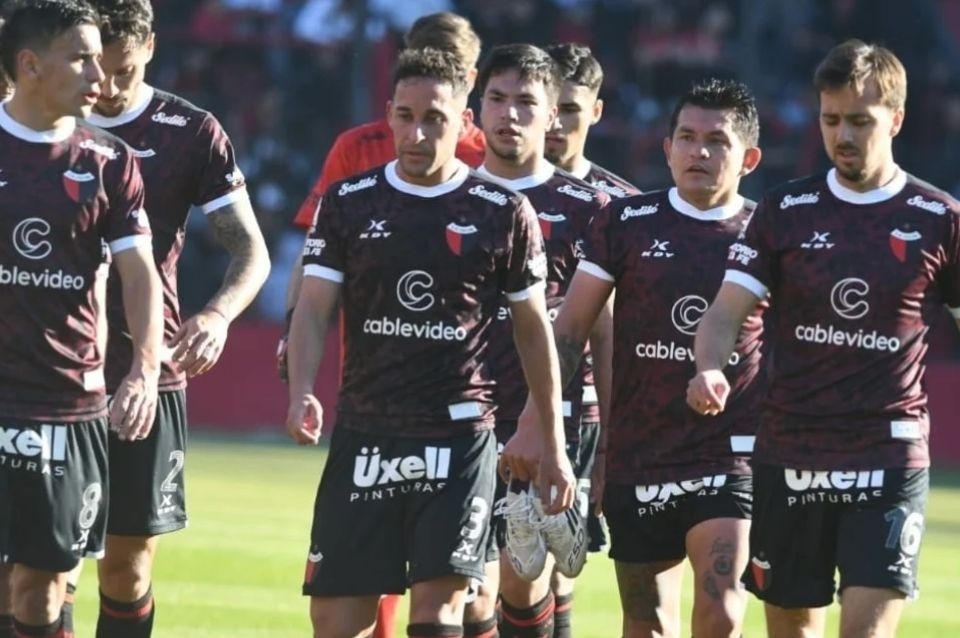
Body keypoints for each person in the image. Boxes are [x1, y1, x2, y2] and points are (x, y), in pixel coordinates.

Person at [285, 47, 574, 638]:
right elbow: (313, 307)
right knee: (335, 620)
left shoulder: (502, 211)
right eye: (406, 116)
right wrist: (300, 391)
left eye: (435, 119)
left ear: (462, 120)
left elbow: (533, 329)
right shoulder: (348, 201)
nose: (417, 134)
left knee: (439, 616)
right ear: (389, 113)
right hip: (366, 429)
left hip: (459, 438)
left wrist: (553, 439)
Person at [689, 40, 960, 638]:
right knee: (792, 627)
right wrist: (709, 365)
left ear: (896, 119)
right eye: (831, 119)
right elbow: (724, 313)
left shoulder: (939, 217)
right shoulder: (786, 209)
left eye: (860, 121)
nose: (843, 135)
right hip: (790, 449)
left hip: (888, 451)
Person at [61, 1, 272, 636]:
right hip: (48, 370)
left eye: (123, 70)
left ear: (150, 47)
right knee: (43, 564)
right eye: (95, 66)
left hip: (145, 372)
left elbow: (251, 251)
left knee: (126, 567)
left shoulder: (190, 131)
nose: (106, 85)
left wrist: (218, 315)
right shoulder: (41, 118)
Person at [531, 77, 764, 638]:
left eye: (717, 141)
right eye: (687, 137)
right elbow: (569, 332)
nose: (699, 152)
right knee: (647, 623)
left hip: (730, 455)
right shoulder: (625, 222)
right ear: (666, 148)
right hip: (641, 454)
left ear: (749, 158)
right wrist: (534, 425)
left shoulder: (768, 231)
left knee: (723, 609)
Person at [279, 18, 483, 632]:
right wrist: (294, 327)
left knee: (468, 593)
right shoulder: (357, 147)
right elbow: (317, 255)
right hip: (374, 391)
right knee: (360, 587)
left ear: (470, 81)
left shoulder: (491, 155)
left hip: (466, 405)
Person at [0, 2, 164, 638]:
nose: (99, 73)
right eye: (81, 58)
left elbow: (139, 273)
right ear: (30, 65)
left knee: (42, 588)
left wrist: (144, 369)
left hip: (65, 404)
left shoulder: (110, 160)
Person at [464, 43, 609, 638]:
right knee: (468, 593)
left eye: (526, 101)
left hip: (557, 421)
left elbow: (605, 336)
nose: (510, 114)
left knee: (525, 583)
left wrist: (611, 441)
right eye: (497, 99)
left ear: (551, 114)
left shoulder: (593, 208)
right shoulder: (451, 194)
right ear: (477, 107)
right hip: (463, 419)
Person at [542, 43, 640, 601]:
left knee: (560, 567)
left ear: (596, 112)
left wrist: (613, 442)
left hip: (583, 415)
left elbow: (624, 328)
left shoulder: (624, 208)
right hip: (489, 399)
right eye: (549, 107)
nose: (556, 123)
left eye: (571, 110)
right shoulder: (490, 190)